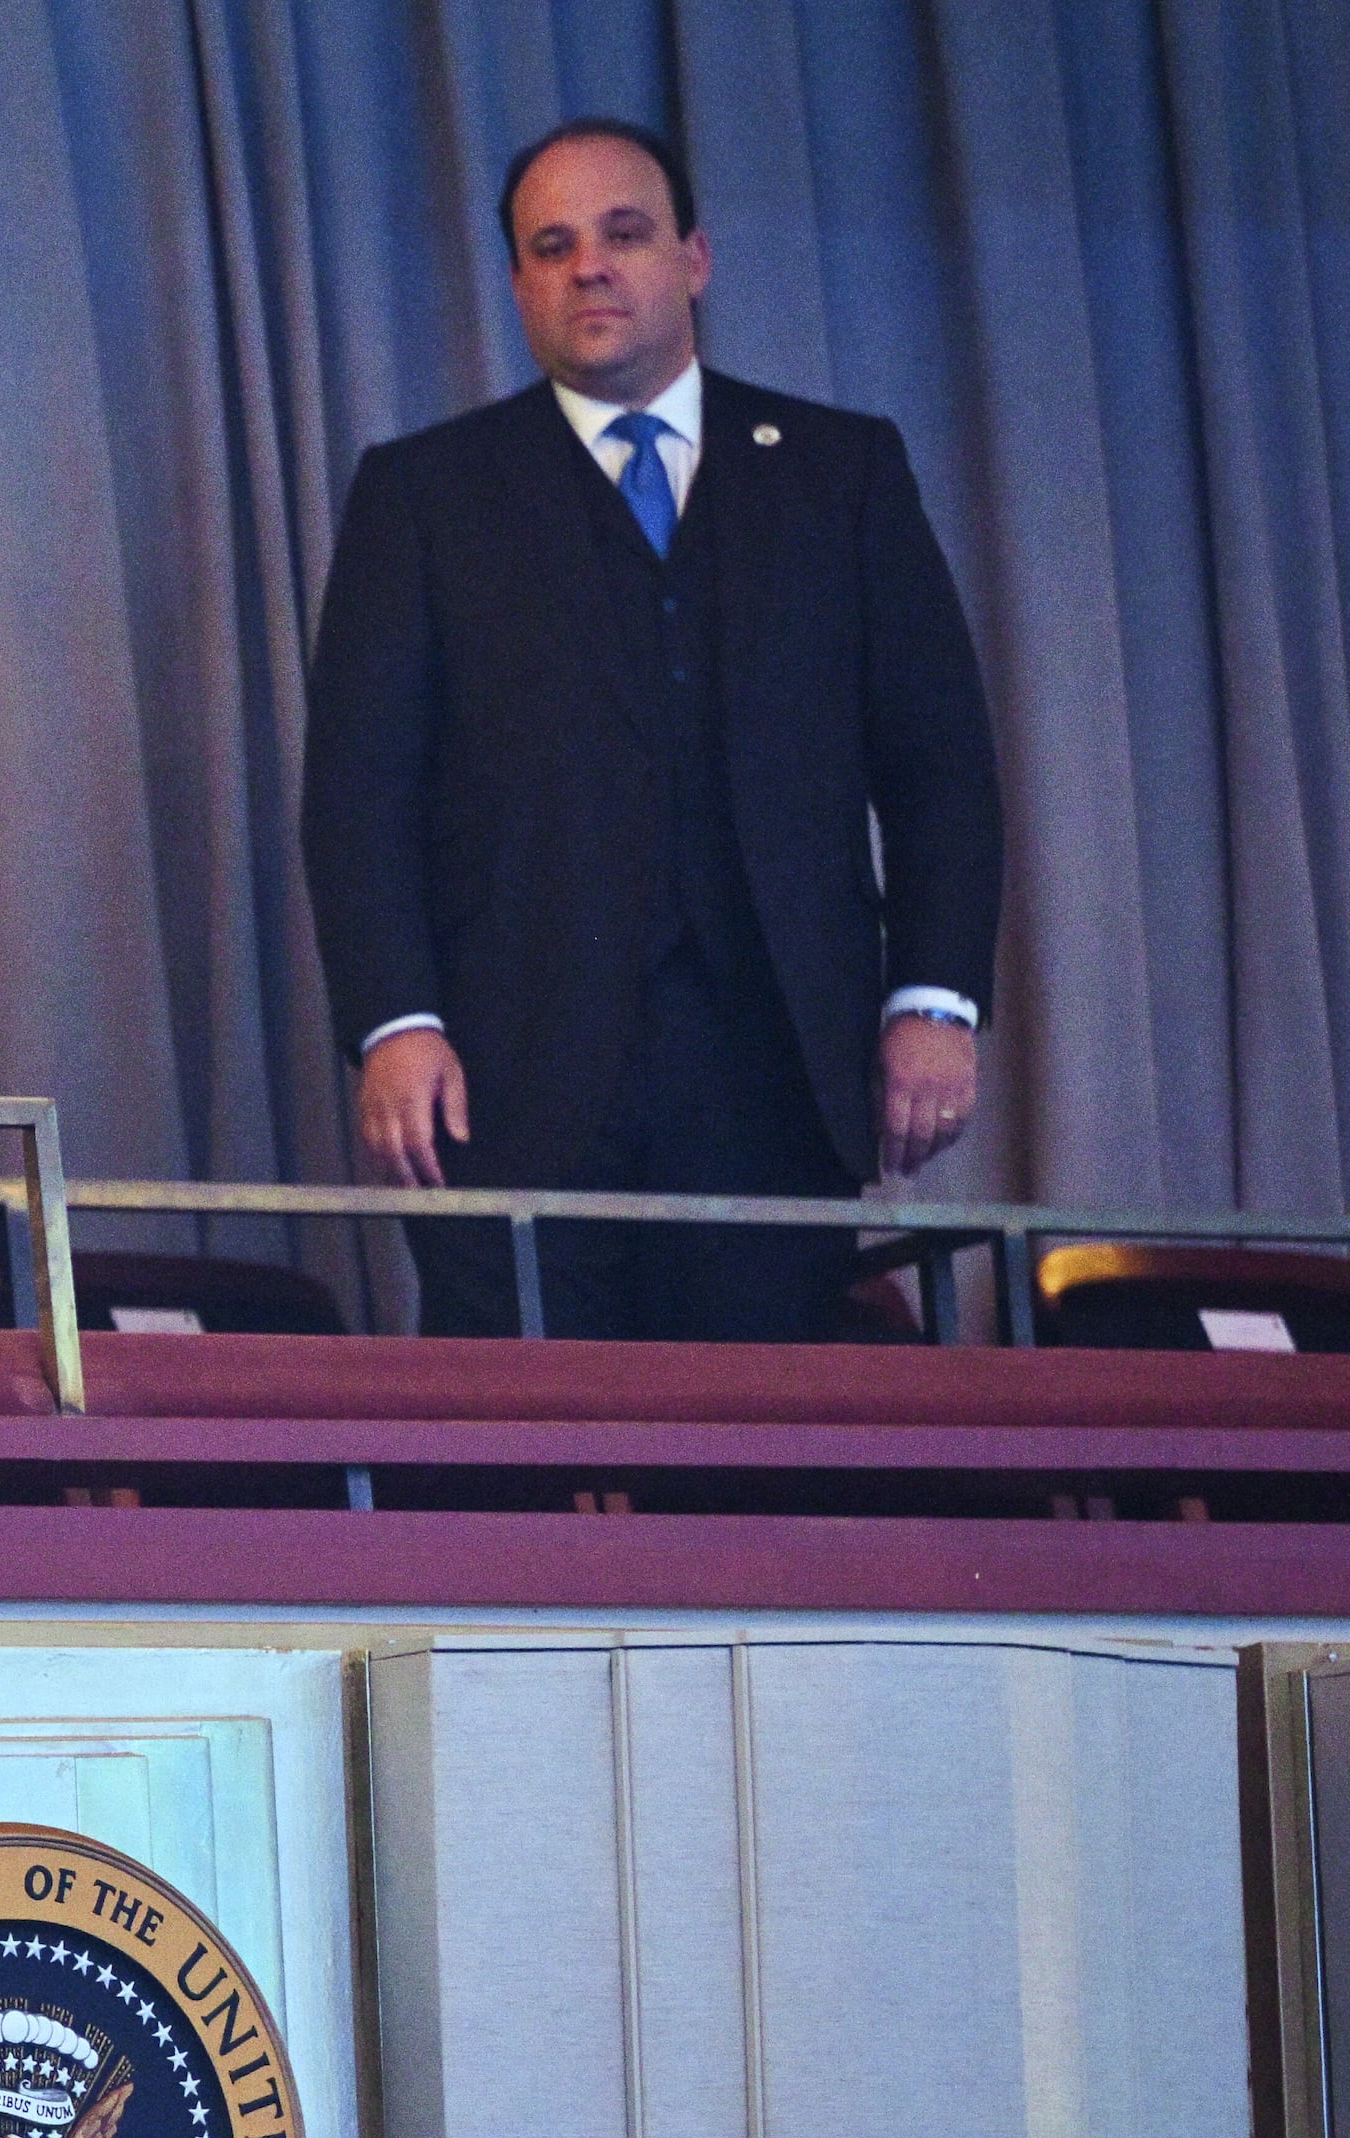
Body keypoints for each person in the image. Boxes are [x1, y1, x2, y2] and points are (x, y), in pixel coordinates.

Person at [302, 117, 1004, 1342]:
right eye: (553, 245)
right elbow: (360, 793)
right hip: (506, 1086)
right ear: (518, 282)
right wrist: (396, 1024)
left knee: (751, 1446)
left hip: (775, 1077)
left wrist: (935, 1001)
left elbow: (938, 764)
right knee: (521, 1447)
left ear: (694, 257)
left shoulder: (840, 472)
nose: (590, 266)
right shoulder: (423, 493)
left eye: (624, 233)